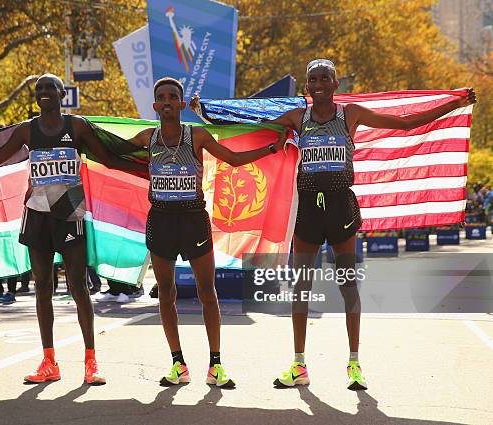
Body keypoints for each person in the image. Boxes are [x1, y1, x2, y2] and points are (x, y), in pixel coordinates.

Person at [265, 59, 476, 390]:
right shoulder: (296, 118)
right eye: (312, 79)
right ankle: (299, 365)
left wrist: (454, 102)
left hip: (340, 209)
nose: (318, 83)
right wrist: (204, 112)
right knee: (302, 287)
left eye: (325, 78)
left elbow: (405, 123)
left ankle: (354, 364)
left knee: (347, 285)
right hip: (306, 209)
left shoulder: (351, 115)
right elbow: (252, 129)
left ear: (336, 85)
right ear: (306, 87)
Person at [0, 73, 146, 385]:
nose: (43, 92)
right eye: (38, 88)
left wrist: (151, 166)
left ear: (61, 93)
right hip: (38, 212)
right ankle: (49, 361)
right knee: (42, 287)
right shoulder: (27, 129)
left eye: (49, 87)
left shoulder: (76, 126)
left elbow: (109, 156)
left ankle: (91, 362)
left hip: (69, 212)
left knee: (79, 287)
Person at [129, 77, 287, 388]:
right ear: (155, 105)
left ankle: (216, 365)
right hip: (160, 220)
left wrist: (271, 148)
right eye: (162, 97)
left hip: (192, 220)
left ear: (182, 103)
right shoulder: (146, 137)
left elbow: (235, 159)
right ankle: (178, 364)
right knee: (166, 294)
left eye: (173, 97)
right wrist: (75, 136)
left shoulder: (197, 135)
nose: (167, 101)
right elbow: (109, 148)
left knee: (207, 293)